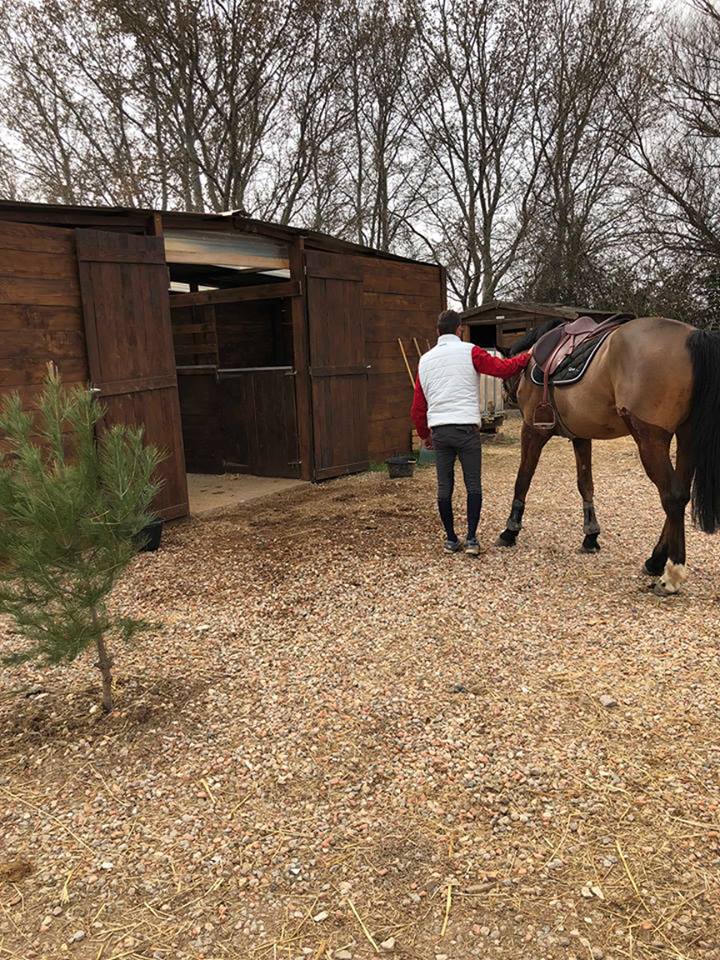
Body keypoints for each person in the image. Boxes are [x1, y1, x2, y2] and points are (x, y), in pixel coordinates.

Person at [411, 309, 531, 554]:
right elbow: (503, 369)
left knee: (444, 487)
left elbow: (418, 407)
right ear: (459, 330)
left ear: (437, 332)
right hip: (466, 429)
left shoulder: (425, 360)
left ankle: (451, 539)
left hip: (440, 431)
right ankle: (472, 539)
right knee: (473, 485)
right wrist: (526, 357)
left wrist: (425, 435)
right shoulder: (471, 351)